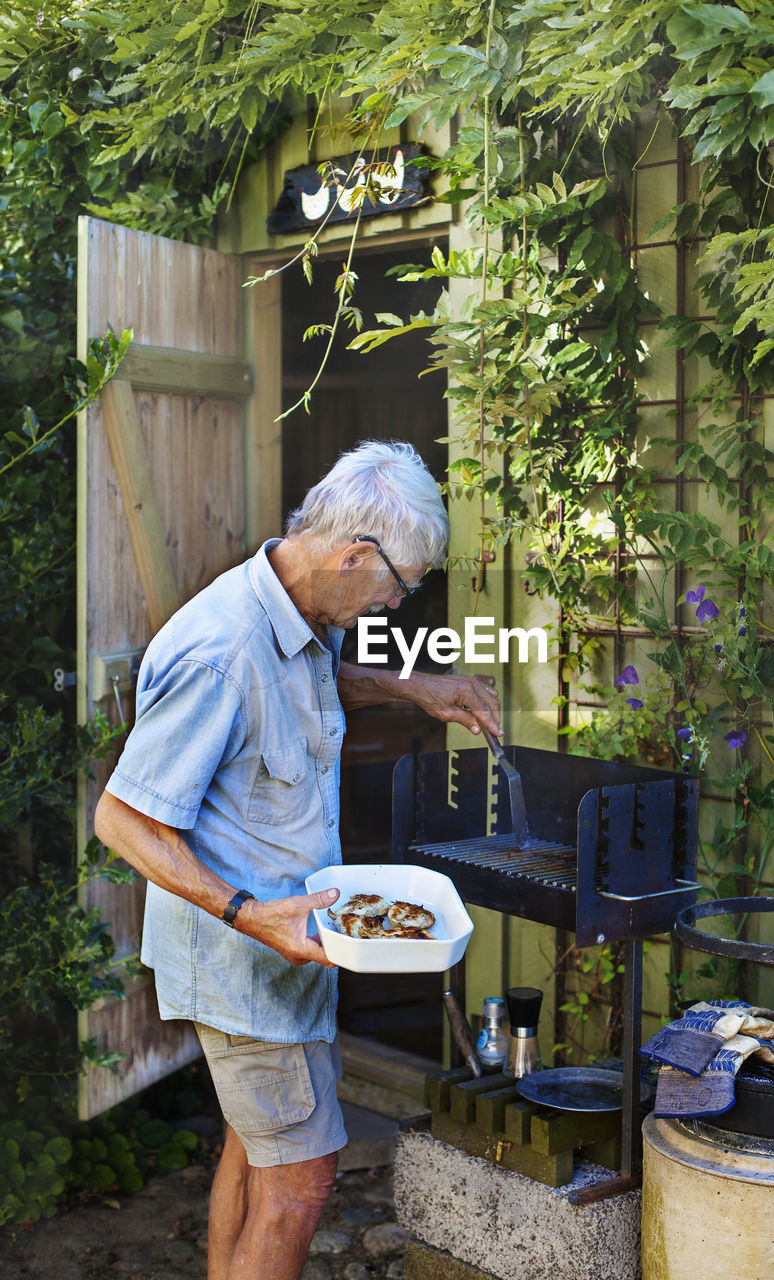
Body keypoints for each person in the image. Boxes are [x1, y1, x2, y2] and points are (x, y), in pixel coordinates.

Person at [94, 440, 501, 1280]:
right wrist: (250, 914)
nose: (398, 600)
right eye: (401, 583)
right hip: (247, 958)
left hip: (287, 947)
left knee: (256, 1148)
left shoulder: (298, 610)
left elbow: (306, 687)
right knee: (303, 1181)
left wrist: (410, 686)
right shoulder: (221, 649)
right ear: (357, 554)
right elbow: (122, 820)